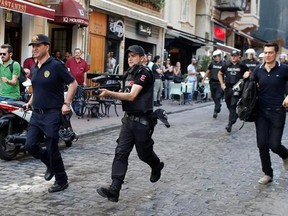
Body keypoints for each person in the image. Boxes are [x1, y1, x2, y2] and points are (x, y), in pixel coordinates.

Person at [96, 45, 164, 202]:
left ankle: (156, 165)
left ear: (142, 58)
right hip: (128, 120)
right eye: (129, 56)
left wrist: (109, 93)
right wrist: (106, 87)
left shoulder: (144, 73)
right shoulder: (128, 73)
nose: (130, 58)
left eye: (134, 55)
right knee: (121, 152)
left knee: (143, 154)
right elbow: (123, 88)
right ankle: (114, 189)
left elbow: (132, 95)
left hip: (142, 122)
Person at [23, 34, 78, 193]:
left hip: (53, 113)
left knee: (52, 147)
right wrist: (30, 102)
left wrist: (66, 103)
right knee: (30, 145)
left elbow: (73, 84)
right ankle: (50, 165)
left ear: (46, 46)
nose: (34, 49)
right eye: (33, 46)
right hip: (36, 114)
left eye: (38, 45)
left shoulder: (56, 65)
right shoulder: (34, 67)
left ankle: (62, 180)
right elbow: (38, 89)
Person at [253, 42, 288, 185]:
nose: (267, 55)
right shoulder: (258, 70)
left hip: (278, 112)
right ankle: (268, 173)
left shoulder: (284, 69)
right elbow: (249, 88)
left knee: (274, 145)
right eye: (265, 52)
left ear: (276, 54)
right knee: (262, 144)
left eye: (270, 53)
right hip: (260, 112)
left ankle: (286, 155)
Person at [218, 50, 250, 132]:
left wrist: (246, 75)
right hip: (227, 88)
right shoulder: (226, 64)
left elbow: (249, 72)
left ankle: (230, 123)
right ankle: (234, 116)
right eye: (232, 55)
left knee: (233, 105)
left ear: (239, 56)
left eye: (235, 55)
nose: (233, 57)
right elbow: (220, 73)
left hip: (237, 88)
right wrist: (222, 83)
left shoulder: (242, 65)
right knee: (228, 104)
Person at [202, 50, 225, 118]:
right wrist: (203, 79)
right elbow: (207, 71)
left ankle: (216, 110)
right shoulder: (212, 63)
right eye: (214, 57)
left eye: (216, 56)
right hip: (212, 82)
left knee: (218, 96)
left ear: (219, 56)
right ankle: (218, 105)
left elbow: (226, 73)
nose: (215, 58)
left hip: (219, 83)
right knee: (213, 96)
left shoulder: (223, 64)